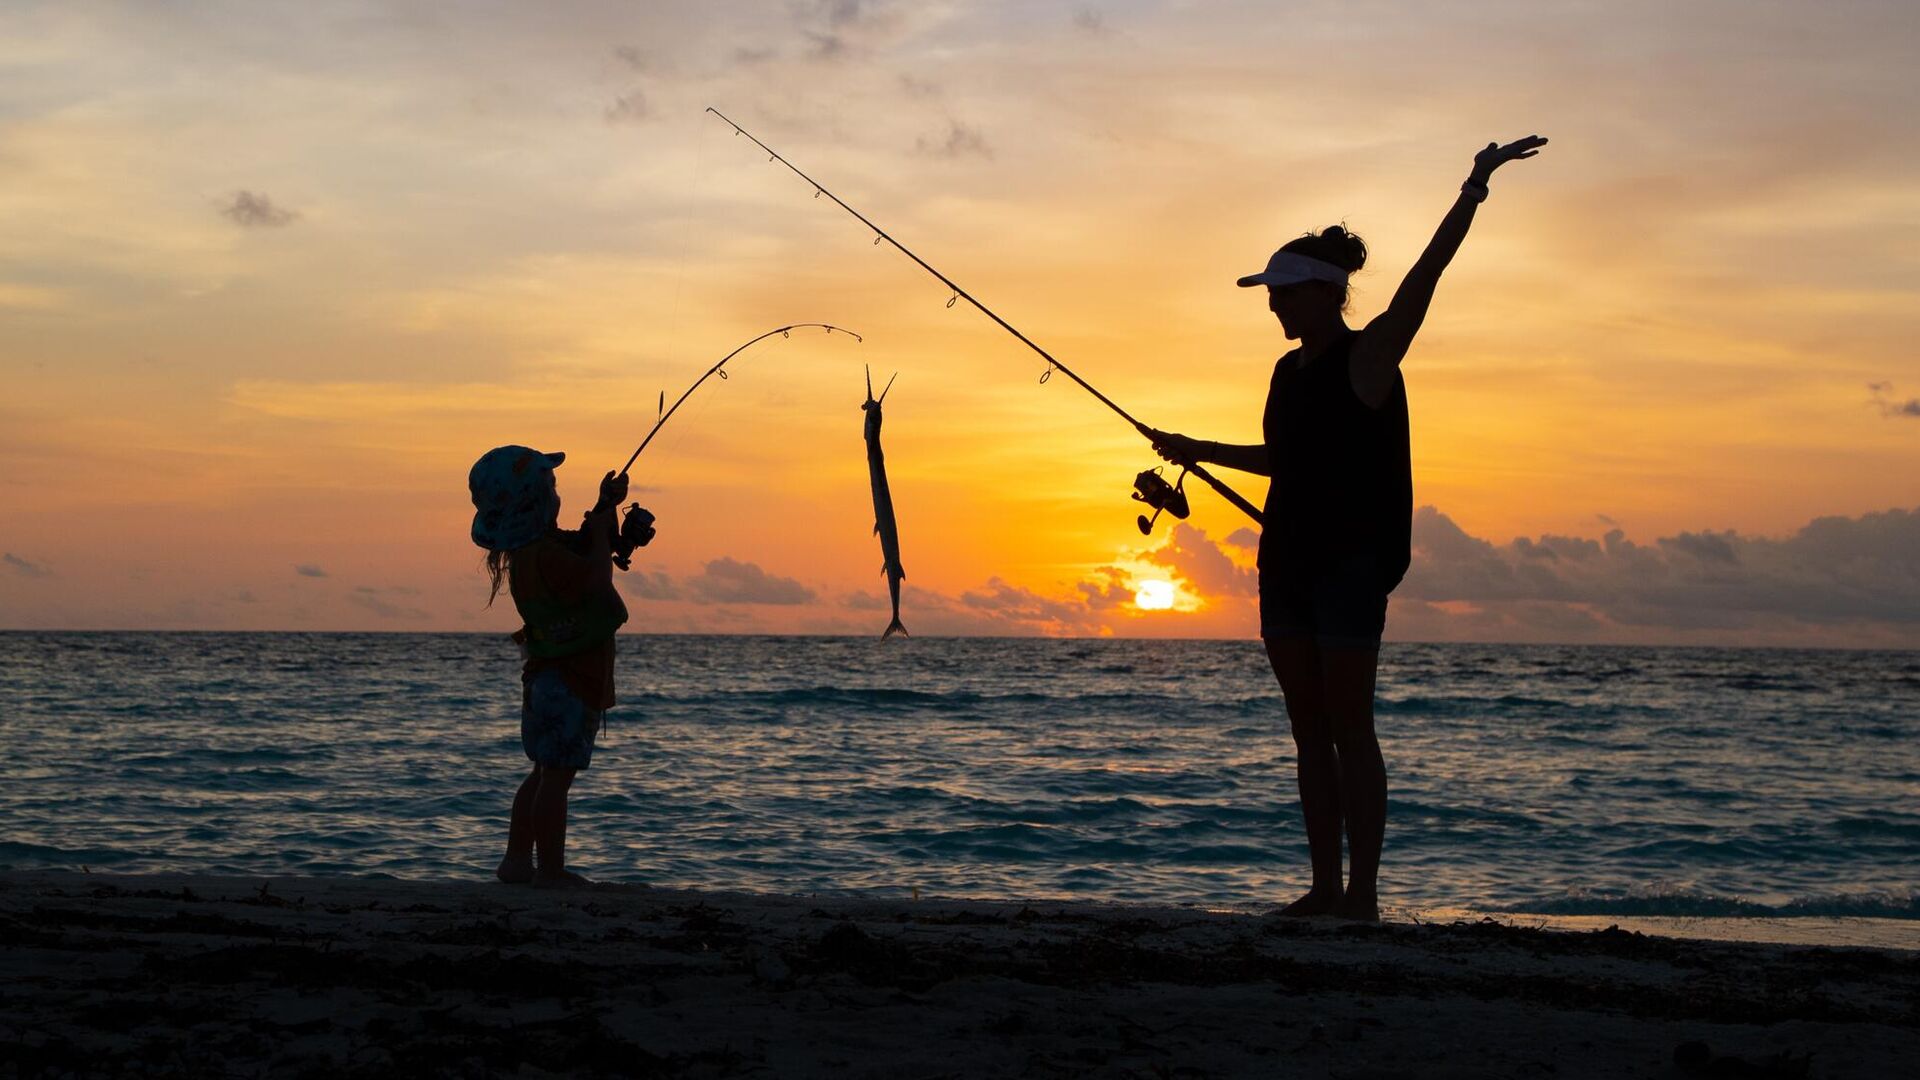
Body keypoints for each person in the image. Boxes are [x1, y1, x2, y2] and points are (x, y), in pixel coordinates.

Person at [1149, 136, 1547, 920]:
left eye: (1284, 291)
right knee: (1307, 730)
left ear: (1327, 293)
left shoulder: (1370, 358)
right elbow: (1284, 459)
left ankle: (1361, 894)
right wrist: (1200, 451)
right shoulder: (1284, 372)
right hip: (1286, 562)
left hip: (1350, 569)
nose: (1272, 302)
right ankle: (1324, 888)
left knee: (1350, 730)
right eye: (1271, 292)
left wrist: (1474, 189)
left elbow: (1424, 280)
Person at [469, 445, 650, 888]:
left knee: (544, 772)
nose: (556, 492)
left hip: (549, 680)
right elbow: (593, 576)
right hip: (567, 682)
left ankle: (516, 862)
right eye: (550, 485)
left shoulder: (540, 549)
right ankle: (549, 870)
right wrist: (607, 537)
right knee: (557, 778)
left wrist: (606, 508)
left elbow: (585, 547)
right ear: (533, 499)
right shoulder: (544, 555)